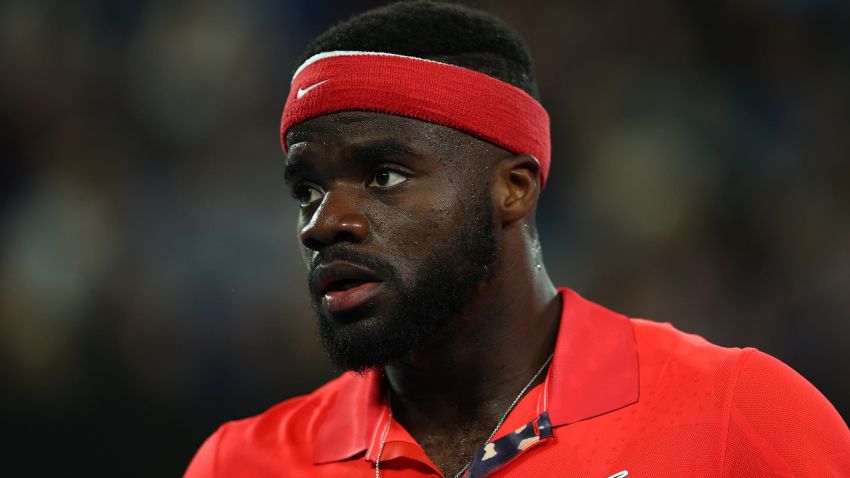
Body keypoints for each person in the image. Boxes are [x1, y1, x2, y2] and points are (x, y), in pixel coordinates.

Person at [185, 1, 850, 476]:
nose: (323, 222)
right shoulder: (241, 464)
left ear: (515, 187)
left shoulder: (736, 413)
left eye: (384, 175)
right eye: (307, 188)